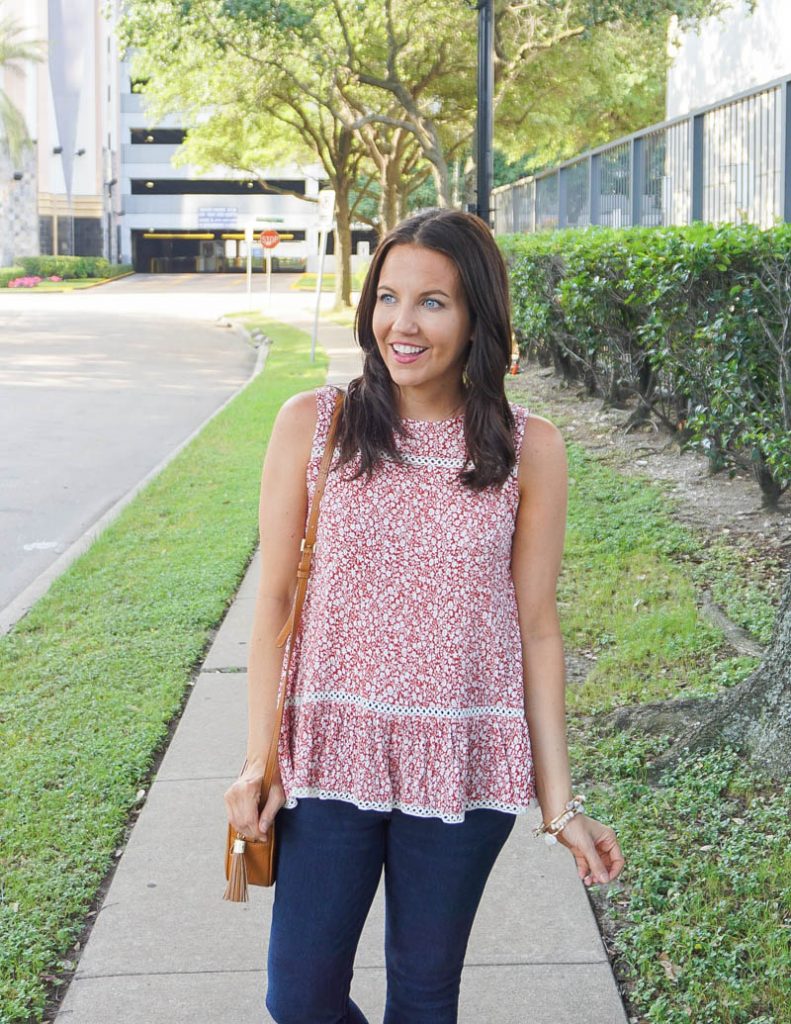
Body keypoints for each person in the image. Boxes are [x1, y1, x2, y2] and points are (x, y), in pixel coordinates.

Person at [223, 208, 625, 1023]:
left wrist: (560, 805)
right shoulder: (314, 424)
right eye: (387, 297)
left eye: (432, 302)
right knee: (298, 999)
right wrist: (257, 761)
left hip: (462, 760)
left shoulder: (525, 448)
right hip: (332, 751)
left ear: (477, 315)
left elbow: (536, 627)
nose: (400, 325)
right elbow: (273, 601)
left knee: (423, 995)